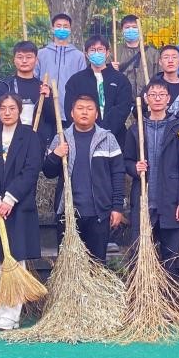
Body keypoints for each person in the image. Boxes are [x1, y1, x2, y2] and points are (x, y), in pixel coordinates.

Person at [0, 93, 45, 331]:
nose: (7, 112)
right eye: (3, 108)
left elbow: (31, 170)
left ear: (19, 111)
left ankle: (12, 314)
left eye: (12, 108)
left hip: (18, 208)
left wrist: (9, 199)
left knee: (15, 261)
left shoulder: (30, 137)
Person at [43, 95, 126, 262]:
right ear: (72, 113)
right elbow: (48, 172)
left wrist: (117, 207)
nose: (84, 112)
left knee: (97, 264)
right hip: (68, 213)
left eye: (89, 109)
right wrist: (56, 155)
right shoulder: (61, 138)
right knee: (68, 264)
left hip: (99, 213)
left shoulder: (107, 139)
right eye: (80, 108)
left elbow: (118, 174)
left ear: (96, 114)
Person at [124, 79, 179, 266]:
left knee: (170, 259)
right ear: (146, 98)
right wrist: (134, 167)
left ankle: (169, 285)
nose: (157, 98)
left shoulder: (178, 129)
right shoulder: (136, 129)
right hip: (143, 202)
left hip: (170, 202)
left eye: (161, 95)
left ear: (168, 98)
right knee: (140, 257)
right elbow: (126, 161)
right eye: (153, 95)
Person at [64, 35, 134, 142]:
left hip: (115, 137)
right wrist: (86, 130)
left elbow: (123, 107)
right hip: (84, 137)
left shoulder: (120, 79)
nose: (97, 53)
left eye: (100, 49)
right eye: (92, 50)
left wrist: (104, 131)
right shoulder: (76, 80)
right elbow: (70, 108)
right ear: (86, 54)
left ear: (107, 53)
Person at [0, 40, 56, 146]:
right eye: (20, 57)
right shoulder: (5, 86)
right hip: (9, 140)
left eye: (29, 57)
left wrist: (48, 98)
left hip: (36, 141)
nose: (24, 61)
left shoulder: (44, 88)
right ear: (14, 60)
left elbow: (51, 119)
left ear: (36, 60)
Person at [37, 12, 87, 101]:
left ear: (70, 30)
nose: (62, 29)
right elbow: (34, 78)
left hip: (70, 103)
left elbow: (82, 82)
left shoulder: (79, 56)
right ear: (53, 29)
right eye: (58, 26)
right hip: (45, 102)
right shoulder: (41, 54)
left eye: (65, 26)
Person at [114, 14, 158, 94]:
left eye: (134, 27)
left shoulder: (152, 53)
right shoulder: (115, 52)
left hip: (147, 96)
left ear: (140, 30)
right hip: (122, 96)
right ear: (122, 31)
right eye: (127, 27)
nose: (131, 30)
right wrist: (111, 69)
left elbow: (159, 76)